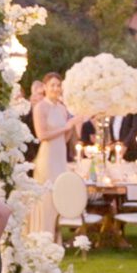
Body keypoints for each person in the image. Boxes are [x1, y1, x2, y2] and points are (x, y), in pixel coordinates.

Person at [29, 71, 81, 236]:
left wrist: (71, 127)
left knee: (59, 194)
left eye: (58, 85)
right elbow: (42, 135)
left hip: (60, 155)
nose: (56, 88)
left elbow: (64, 138)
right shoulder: (40, 107)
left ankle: (56, 236)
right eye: (52, 85)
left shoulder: (62, 108)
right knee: (46, 196)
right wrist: (65, 127)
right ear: (45, 87)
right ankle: (42, 234)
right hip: (47, 156)